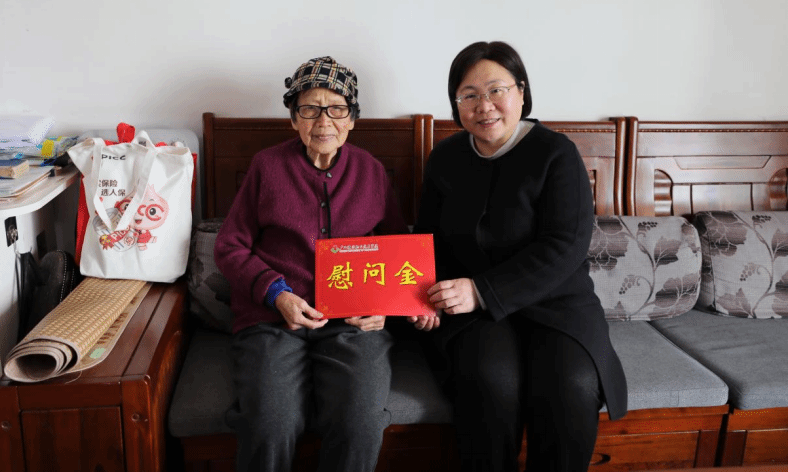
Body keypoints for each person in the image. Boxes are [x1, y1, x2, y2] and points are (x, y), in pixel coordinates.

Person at [410, 41, 628, 472]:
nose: (484, 106)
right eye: (469, 95)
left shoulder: (556, 153)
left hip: (556, 302)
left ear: (522, 92)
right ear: (456, 104)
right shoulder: (445, 158)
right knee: (489, 381)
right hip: (472, 313)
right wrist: (421, 297)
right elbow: (427, 242)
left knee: (570, 386)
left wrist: (481, 290)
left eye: (497, 90)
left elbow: (565, 245)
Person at [214, 56, 409, 472]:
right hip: (272, 320)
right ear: (293, 119)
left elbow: (397, 251)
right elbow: (230, 246)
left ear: (352, 119)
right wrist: (277, 294)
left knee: (360, 422)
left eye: (336, 109)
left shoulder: (372, 172)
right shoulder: (267, 166)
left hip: (352, 325)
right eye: (309, 109)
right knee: (270, 423)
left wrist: (384, 305)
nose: (324, 121)